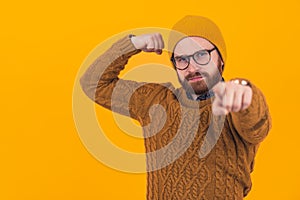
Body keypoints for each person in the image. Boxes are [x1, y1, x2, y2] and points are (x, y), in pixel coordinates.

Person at [80, 15, 271, 199]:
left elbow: (257, 125)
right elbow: (92, 83)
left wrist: (246, 94)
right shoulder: (155, 100)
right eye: (182, 59)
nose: (192, 67)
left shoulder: (233, 106)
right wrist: (132, 44)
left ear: (220, 59)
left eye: (201, 54)